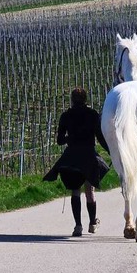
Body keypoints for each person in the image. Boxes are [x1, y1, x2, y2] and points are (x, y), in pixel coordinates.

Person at [43, 88, 110, 237]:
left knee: (75, 190)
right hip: (88, 156)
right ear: (86, 99)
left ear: (72, 100)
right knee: (90, 191)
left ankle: (78, 226)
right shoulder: (92, 115)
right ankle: (93, 223)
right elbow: (99, 137)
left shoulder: (66, 115)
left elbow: (60, 140)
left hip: (72, 156)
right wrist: (111, 151)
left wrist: (70, 138)